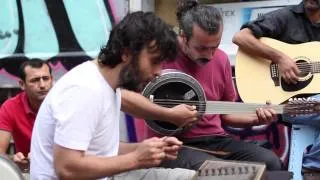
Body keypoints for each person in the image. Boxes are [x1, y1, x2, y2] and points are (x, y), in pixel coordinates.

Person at [30, 11, 198, 180]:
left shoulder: (109, 85)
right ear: (126, 53)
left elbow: (101, 150)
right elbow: (66, 168)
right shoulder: (84, 90)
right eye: (154, 61)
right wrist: (136, 158)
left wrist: (149, 149)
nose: (158, 72)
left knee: (195, 177)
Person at [145, 0, 282, 172]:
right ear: (183, 37)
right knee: (218, 171)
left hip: (216, 139)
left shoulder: (222, 59)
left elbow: (227, 115)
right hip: (173, 144)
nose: (210, 55)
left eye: (214, 47)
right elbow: (135, 101)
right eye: (202, 48)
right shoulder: (160, 58)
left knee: (270, 162)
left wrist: (257, 119)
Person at [232, 0, 320, 178]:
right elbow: (240, 38)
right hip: (287, 104)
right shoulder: (286, 17)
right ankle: (313, 168)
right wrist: (280, 58)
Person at [0, 59, 53, 171]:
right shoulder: (10, 107)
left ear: (52, 80)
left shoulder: (65, 104)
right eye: (35, 80)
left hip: (62, 170)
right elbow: (0, 154)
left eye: (46, 78)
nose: (42, 85)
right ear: (22, 84)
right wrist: (13, 161)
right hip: (28, 171)